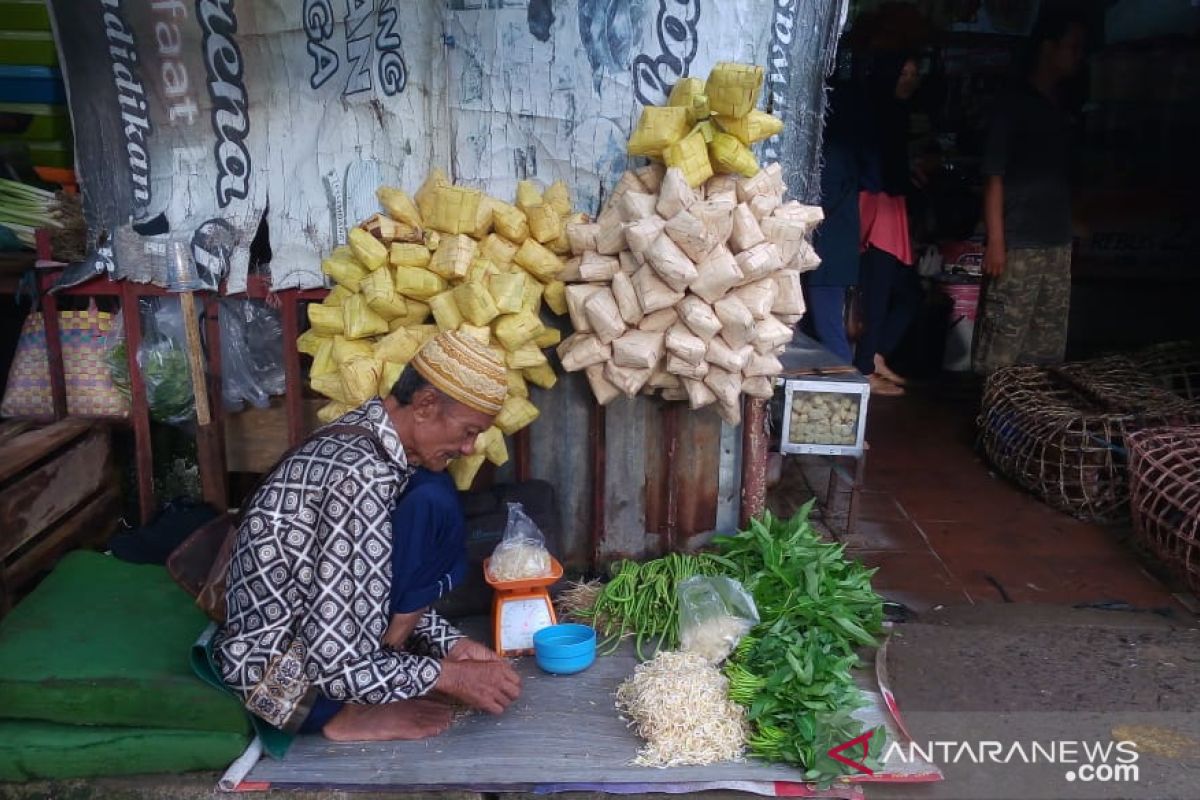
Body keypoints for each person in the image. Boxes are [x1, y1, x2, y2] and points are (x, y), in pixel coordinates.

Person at [213, 330, 522, 742]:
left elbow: (356, 592)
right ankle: (342, 717)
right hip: (271, 675)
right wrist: (448, 676)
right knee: (434, 499)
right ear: (426, 405)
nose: (470, 449)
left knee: (433, 491)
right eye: (467, 431)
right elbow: (334, 665)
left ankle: (370, 689)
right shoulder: (361, 479)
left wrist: (447, 644)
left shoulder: (371, 433)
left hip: (306, 627)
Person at [972, 11, 1084, 374]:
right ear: (1048, 48)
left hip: (1056, 241)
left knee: (1046, 348)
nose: (1077, 56)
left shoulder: (1063, 106)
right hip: (1018, 244)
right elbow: (994, 175)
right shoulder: (1013, 103)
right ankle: (989, 422)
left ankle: (1027, 427)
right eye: (1072, 47)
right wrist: (997, 241)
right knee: (1003, 342)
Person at [854, 53, 925, 396]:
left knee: (903, 293)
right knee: (883, 293)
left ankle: (875, 356)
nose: (910, 79)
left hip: (886, 208)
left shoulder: (892, 112)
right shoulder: (886, 114)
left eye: (914, 73)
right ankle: (866, 368)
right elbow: (886, 172)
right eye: (904, 72)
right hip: (879, 209)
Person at [805, 80, 872, 364]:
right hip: (833, 254)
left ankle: (844, 394)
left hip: (829, 256)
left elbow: (823, 203)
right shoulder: (844, 151)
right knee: (823, 327)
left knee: (828, 329)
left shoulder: (832, 154)